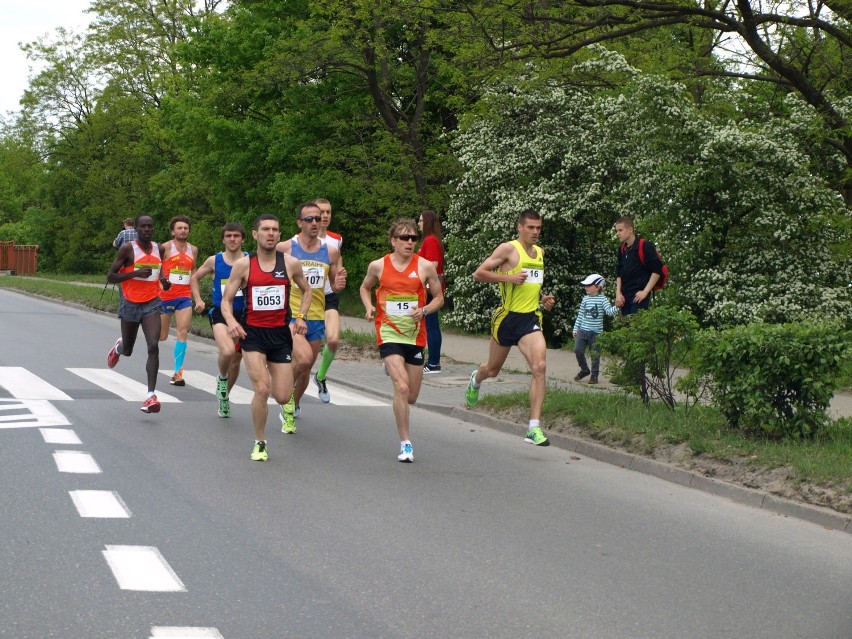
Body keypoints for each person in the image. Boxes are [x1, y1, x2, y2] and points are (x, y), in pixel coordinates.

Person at [220, 214, 311, 462]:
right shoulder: (244, 265)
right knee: (262, 389)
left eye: (275, 229)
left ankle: (282, 392)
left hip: (280, 335)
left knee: (281, 396)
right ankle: (260, 441)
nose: (271, 233)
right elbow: (226, 301)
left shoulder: (291, 263)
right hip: (253, 335)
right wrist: (231, 322)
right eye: (266, 229)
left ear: (279, 235)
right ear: (255, 234)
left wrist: (301, 316)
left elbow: (307, 290)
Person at [464, 209, 556, 447]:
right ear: (520, 228)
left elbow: (532, 285)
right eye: (531, 228)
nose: (535, 232)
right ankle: (477, 379)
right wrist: (509, 278)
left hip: (530, 320)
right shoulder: (508, 249)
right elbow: (479, 273)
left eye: (538, 228)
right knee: (492, 370)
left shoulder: (540, 253)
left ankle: (533, 428)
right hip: (506, 319)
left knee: (540, 366)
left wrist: (543, 299)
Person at [360, 218, 444, 462]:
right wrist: (368, 307)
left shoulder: (425, 267)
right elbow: (365, 288)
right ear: (393, 241)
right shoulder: (378, 265)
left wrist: (426, 310)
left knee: (412, 396)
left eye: (413, 238)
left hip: (415, 335)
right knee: (402, 386)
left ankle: (393, 370)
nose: (410, 242)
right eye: (404, 238)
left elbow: (438, 297)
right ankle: (406, 443)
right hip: (388, 332)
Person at [276, 201, 346, 433]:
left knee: (305, 368)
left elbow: (334, 287)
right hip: (292, 315)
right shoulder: (286, 248)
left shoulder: (331, 251)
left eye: (318, 218)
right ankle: (284, 396)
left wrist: (338, 285)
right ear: (299, 223)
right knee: (304, 360)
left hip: (317, 315)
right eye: (309, 219)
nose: (315, 222)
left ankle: (292, 405)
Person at [105, 214, 169, 413]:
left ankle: (150, 395)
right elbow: (111, 276)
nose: (147, 230)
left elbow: (160, 271)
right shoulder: (128, 249)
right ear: (137, 229)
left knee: (153, 345)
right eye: (143, 226)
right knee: (128, 350)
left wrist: (164, 282)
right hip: (130, 304)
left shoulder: (160, 249)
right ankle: (119, 347)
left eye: (150, 226)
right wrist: (134, 273)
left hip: (152, 303)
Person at [190, 222, 248, 418]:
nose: (232, 239)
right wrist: (198, 299)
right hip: (220, 313)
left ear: (243, 239)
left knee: (235, 362)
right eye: (229, 236)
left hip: (245, 316)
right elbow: (194, 278)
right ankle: (222, 379)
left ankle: (224, 399)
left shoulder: (250, 260)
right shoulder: (215, 260)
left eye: (236, 236)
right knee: (227, 351)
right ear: (223, 239)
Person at [158, 215, 199, 386]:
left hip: (184, 297)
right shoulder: (165, 248)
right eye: (179, 228)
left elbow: (194, 273)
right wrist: (162, 282)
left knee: (183, 332)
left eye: (185, 228)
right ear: (173, 231)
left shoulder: (193, 250)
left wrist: (198, 298)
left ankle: (177, 373)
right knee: (161, 336)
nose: (183, 230)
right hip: (164, 297)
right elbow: (155, 268)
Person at [313, 198, 343, 401]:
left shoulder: (337, 239)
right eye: (321, 212)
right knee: (304, 355)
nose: (325, 216)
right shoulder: (298, 241)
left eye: (328, 212)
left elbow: (337, 261)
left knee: (333, 340)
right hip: (307, 299)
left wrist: (339, 277)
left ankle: (321, 376)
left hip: (328, 296)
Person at [572, 274, 619, 384]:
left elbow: (609, 312)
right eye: (585, 285)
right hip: (582, 331)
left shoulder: (603, 299)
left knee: (595, 355)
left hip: (596, 333)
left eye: (588, 285)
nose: (586, 287)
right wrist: (575, 329)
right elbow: (580, 315)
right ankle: (584, 370)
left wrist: (617, 307)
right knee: (577, 350)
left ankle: (594, 376)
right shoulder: (585, 299)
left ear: (597, 287)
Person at [614, 216, 663, 315]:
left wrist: (645, 292)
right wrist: (618, 294)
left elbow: (657, 270)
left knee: (636, 326)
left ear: (630, 230)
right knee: (625, 328)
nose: (617, 233)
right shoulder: (621, 249)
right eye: (617, 231)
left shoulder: (645, 246)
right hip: (624, 297)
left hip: (639, 296)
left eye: (620, 230)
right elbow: (619, 273)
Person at [417, 210, 445, 373]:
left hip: (430, 288)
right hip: (428, 287)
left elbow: (433, 264)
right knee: (428, 323)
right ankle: (429, 359)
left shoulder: (431, 241)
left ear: (426, 222)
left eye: (420, 221)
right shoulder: (428, 240)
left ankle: (434, 362)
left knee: (431, 324)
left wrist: (418, 277)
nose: (419, 223)